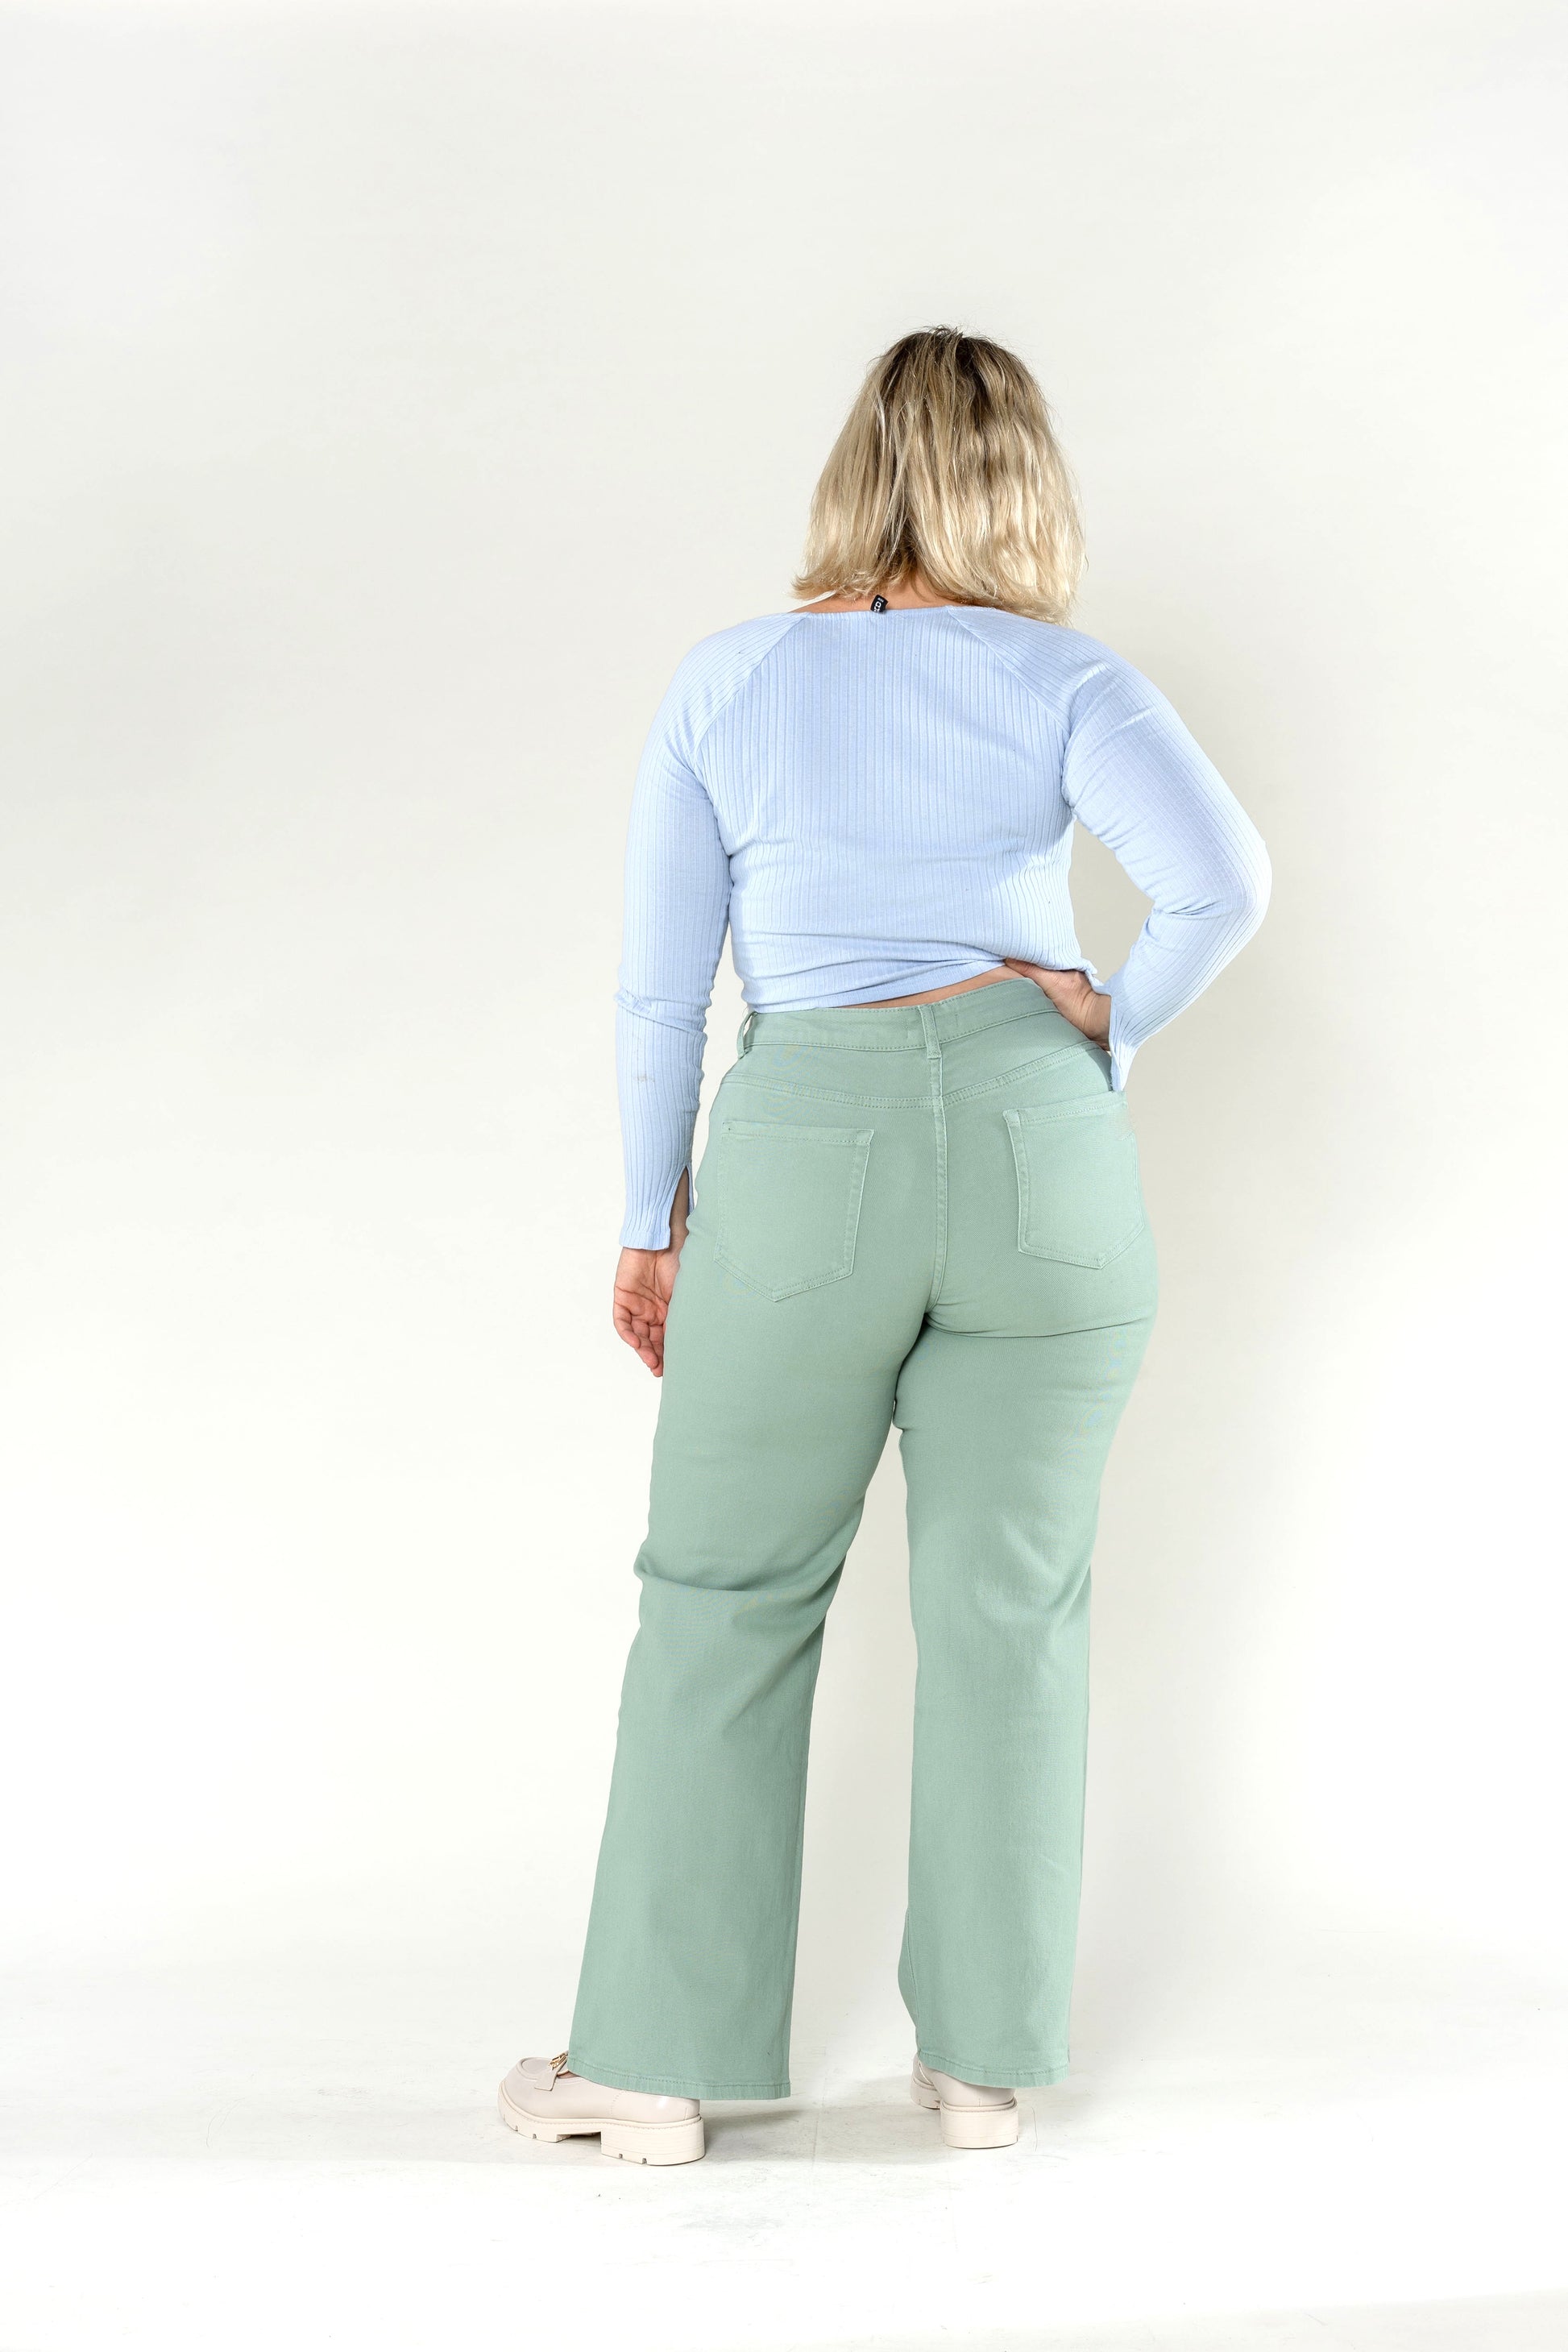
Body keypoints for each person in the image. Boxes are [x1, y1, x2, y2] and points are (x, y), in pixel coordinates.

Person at [500, 328, 1270, 2165]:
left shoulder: (732, 678)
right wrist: (1107, 1023)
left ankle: (656, 2068)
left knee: (726, 1595)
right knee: (1012, 1610)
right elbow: (1221, 883)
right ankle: (984, 2066)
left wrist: (648, 1222)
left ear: (854, 471)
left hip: (806, 1153)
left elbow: (661, 993)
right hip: (1038, 1149)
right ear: (1026, 481)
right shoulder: (1064, 676)